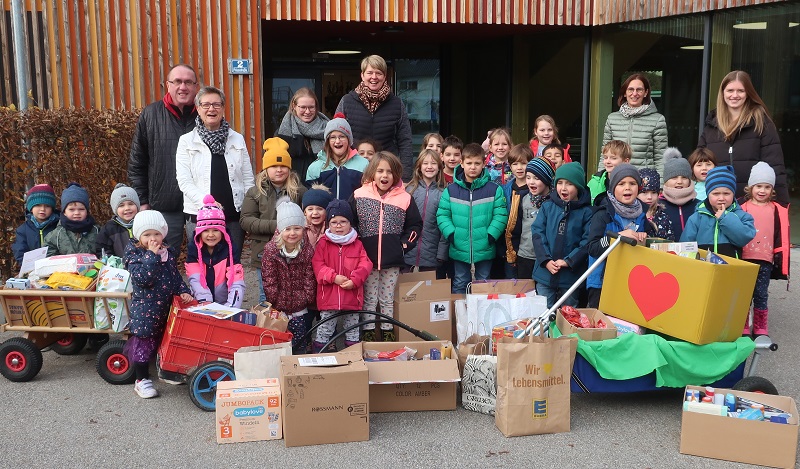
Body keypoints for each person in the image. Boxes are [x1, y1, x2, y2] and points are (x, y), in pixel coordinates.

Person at [351, 152, 422, 341]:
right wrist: (357, 247)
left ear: (396, 174)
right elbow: (351, 223)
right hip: (367, 260)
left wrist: (404, 246)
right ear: (372, 173)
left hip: (392, 260)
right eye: (380, 171)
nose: (384, 176)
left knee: (387, 300)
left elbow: (414, 225)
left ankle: (388, 332)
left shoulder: (405, 198)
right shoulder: (359, 195)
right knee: (369, 299)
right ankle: (368, 333)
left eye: (389, 172)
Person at [176, 85, 255, 254]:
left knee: (232, 265)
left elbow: (248, 178)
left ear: (223, 108)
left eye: (216, 104)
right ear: (198, 109)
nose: (211, 109)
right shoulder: (186, 141)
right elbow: (184, 181)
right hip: (200, 216)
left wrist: (249, 209)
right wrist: (207, 201)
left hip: (233, 216)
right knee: (203, 267)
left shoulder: (237, 139)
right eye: (206, 105)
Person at [128, 64, 199, 249]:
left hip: (199, 202)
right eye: (177, 81)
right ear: (168, 85)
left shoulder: (206, 115)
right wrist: (143, 201)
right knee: (163, 257)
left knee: (204, 257)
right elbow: (138, 162)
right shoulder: (151, 114)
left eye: (188, 82)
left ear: (196, 87)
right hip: (164, 204)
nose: (183, 87)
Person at [124, 210, 193, 399]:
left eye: (156, 234)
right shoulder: (134, 255)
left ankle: (168, 370)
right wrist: (151, 256)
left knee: (167, 341)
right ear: (139, 236)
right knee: (144, 345)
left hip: (167, 307)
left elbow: (174, 276)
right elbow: (144, 279)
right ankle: (141, 380)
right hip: (146, 310)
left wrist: (183, 290)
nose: (152, 239)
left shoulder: (167, 253)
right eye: (147, 235)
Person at [697, 70, 787, 203]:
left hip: (753, 204)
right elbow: (699, 165)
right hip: (717, 204)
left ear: (748, 94)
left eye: (740, 91)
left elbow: (775, 167)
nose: (734, 95)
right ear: (722, 93)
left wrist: (782, 205)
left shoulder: (762, 124)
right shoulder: (711, 126)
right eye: (730, 90)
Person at [240, 137, 306, 304]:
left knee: (290, 292)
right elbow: (246, 220)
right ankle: (268, 329)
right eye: (274, 166)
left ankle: (291, 326)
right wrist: (278, 226)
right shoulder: (255, 192)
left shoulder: (299, 191)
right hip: (262, 250)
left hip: (293, 251)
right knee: (266, 294)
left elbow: (308, 217)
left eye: (283, 165)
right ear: (266, 168)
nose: (279, 169)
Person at [437, 143, 508, 294]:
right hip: (459, 245)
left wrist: (491, 235)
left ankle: (482, 316)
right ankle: (461, 316)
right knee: (460, 281)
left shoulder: (494, 189)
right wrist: (451, 234)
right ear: (461, 163)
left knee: (484, 282)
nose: (473, 167)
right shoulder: (451, 190)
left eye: (477, 163)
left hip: (485, 245)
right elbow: (443, 214)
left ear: (484, 164)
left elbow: (500, 215)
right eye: (469, 163)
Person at [587, 164, 656, 308]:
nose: (627, 188)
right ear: (613, 188)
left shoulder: (643, 214)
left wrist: (645, 238)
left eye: (632, 183)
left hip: (631, 282)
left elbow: (649, 249)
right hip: (602, 282)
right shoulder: (602, 214)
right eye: (621, 184)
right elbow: (592, 248)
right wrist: (618, 237)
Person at [336, 55, 414, 180]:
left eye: (378, 73)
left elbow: (405, 141)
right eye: (370, 72)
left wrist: (405, 177)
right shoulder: (346, 102)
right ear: (362, 75)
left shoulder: (397, 104)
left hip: (386, 173)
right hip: (353, 171)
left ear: (385, 76)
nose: (374, 77)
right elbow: (336, 137)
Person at [311, 199, 373, 352]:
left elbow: (365, 264)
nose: (338, 226)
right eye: (334, 222)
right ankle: (319, 354)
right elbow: (317, 265)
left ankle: (352, 357)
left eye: (343, 221)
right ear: (328, 224)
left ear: (350, 223)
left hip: (351, 296)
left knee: (352, 329)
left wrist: (354, 280)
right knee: (325, 327)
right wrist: (333, 277)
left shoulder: (357, 243)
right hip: (329, 297)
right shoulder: (323, 243)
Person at [531, 162, 592, 308]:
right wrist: (545, 260)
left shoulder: (586, 212)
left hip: (571, 276)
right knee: (542, 313)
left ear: (578, 186)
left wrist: (569, 261)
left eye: (569, 184)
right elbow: (538, 233)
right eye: (560, 183)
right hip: (545, 272)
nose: (563, 188)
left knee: (569, 314)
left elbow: (587, 242)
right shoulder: (547, 206)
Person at [740, 162, 790, 336]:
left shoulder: (775, 209)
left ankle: (761, 327)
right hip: (745, 257)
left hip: (765, 259)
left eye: (767, 187)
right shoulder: (743, 207)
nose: (762, 190)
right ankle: (743, 325)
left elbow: (779, 233)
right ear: (751, 187)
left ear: (772, 189)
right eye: (758, 186)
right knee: (745, 294)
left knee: (761, 294)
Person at [261, 202, 317, 354]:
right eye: (288, 229)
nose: (292, 233)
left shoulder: (306, 250)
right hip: (279, 306)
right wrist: (275, 299)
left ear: (302, 229)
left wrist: (306, 297)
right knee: (279, 340)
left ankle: (299, 361)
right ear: (280, 230)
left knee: (300, 338)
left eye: (297, 228)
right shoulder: (271, 251)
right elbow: (269, 278)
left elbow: (309, 276)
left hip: (300, 305)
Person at [680, 165, 756, 258]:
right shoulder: (696, 218)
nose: (721, 198)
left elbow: (743, 238)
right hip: (704, 268)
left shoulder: (742, 216)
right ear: (708, 194)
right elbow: (685, 247)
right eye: (716, 194)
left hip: (731, 269)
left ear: (733, 194)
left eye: (726, 193)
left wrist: (725, 218)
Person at [601, 73, 668, 176]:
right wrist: (599, 177)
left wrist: (661, 184)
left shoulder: (658, 120)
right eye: (630, 89)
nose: (634, 93)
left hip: (645, 180)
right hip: (617, 178)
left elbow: (661, 157)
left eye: (639, 90)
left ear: (645, 93)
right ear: (625, 93)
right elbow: (604, 153)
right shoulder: (612, 119)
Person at [185, 195, 245, 308]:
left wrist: (231, 307)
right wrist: (205, 301)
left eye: (216, 230)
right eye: (206, 230)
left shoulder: (230, 249)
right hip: (201, 302)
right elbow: (195, 279)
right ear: (199, 232)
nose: (211, 235)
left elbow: (236, 281)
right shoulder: (194, 250)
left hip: (225, 303)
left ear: (223, 232)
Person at [404, 149, 448, 274]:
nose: (429, 167)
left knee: (430, 292)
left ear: (439, 167)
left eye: (433, 163)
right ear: (419, 167)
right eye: (425, 163)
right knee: (405, 291)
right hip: (407, 252)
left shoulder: (444, 193)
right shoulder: (409, 191)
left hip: (432, 254)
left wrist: (442, 253)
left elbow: (444, 228)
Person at [306, 114, 369, 200]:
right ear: (327, 141)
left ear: (349, 140)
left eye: (342, 136)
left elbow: (369, 194)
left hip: (353, 213)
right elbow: (311, 200)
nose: (337, 141)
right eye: (333, 137)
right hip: (325, 213)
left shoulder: (363, 164)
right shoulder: (315, 167)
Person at [276, 87, 330, 182]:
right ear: (294, 106)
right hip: (292, 186)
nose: (307, 111)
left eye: (311, 107)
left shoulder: (328, 129)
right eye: (303, 107)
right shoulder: (283, 132)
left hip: (321, 185)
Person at [514, 157, 555, 280]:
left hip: (547, 257)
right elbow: (517, 227)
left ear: (547, 179)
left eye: (537, 178)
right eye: (528, 177)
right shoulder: (523, 199)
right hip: (525, 255)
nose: (531, 182)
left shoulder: (554, 201)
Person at [502, 144, 534, 278]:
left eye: (524, 163)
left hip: (528, 242)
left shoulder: (534, 188)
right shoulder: (505, 189)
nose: (519, 168)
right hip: (509, 242)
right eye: (515, 164)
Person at [44, 183, 100, 257]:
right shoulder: (56, 234)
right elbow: (48, 256)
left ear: (87, 211)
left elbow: (104, 252)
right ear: (64, 212)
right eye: (71, 209)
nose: (77, 213)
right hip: (65, 268)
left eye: (81, 209)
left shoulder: (97, 231)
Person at [12, 184, 59, 265]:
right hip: (32, 269)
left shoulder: (58, 226)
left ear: (52, 208)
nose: (42, 209)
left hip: (56, 268)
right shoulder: (22, 231)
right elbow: (20, 252)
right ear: (31, 207)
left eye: (47, 206)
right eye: (38, 205)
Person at [658, 148, 699, 241]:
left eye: (684, 177)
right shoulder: (657, 206)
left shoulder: (699, 206)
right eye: (674, 177)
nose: (679, 182)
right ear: (666, 180)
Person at [96, 183, 140, 259]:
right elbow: (102, 249)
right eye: (121, 205)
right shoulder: (109, 228)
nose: (127, 208)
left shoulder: (144, 223)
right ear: (115, 209)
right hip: (119, 268)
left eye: (130, 204)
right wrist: (113, 261)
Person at [588, 140, 632, 206]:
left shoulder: (633, 183)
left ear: (626, 161)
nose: (607, 161)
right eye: (605, 158)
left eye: (613, 158)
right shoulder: (594, 181)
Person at [639, 168, 673, 240]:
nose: (649, 197)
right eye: (644, 192)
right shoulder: (631, 216)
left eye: (654, 192)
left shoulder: (663, 217)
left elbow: (670, 242)